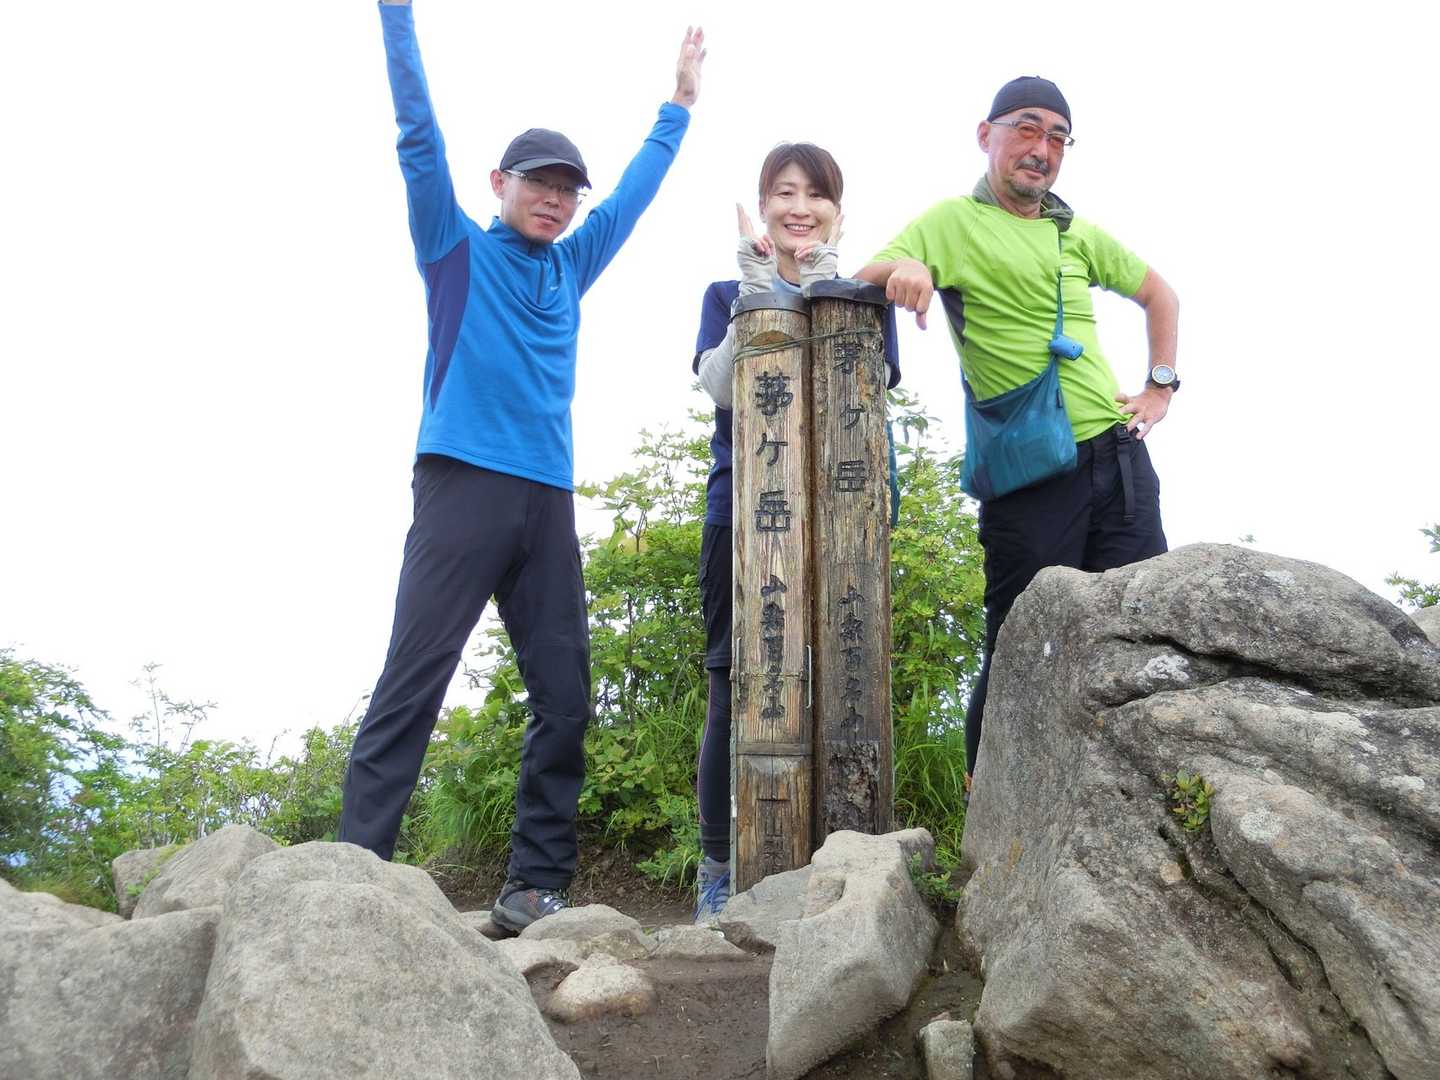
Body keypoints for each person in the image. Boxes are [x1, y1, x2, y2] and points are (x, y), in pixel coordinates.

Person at [338, 0, 706, 934]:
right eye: (539, 182)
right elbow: (418, 136)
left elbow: (634, 195)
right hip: (461, 482)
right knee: (414, 679)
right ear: (500, 183)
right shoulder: (455, 248)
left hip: (546, 499)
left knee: (567, 696)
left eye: (567, 189)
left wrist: (678, 106)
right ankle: (351, 875)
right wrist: (396, 17)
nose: (556, 199)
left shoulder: (571, 266)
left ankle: (533, 886)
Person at [856, 76, 1180, 789]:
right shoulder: (955, 220)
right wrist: (908, 265)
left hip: (1119, 457)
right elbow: (869, 272)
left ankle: (1131, 802)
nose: (1042, 149)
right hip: (1029, 472)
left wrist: (1160, 386)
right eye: (1027, 129)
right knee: (1020, 645)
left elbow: (1160, 293)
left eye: (1058, 137)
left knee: (1141, 630)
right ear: (987, 136)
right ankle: (992, 819)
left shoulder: (1075, 232)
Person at [690, 144, 901, 920]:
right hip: (744, 519)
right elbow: (719, 389)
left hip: (844, 528)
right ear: (763, 206)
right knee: (737, 688)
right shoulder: (726, 292)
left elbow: (872, 380)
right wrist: (758, 293)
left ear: (837, 213)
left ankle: (848, 863)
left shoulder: (864, 294)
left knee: (849, 671)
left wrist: (827, 288)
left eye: (817, 195)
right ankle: (720, 868)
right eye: (784, 192)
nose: (799, 208)